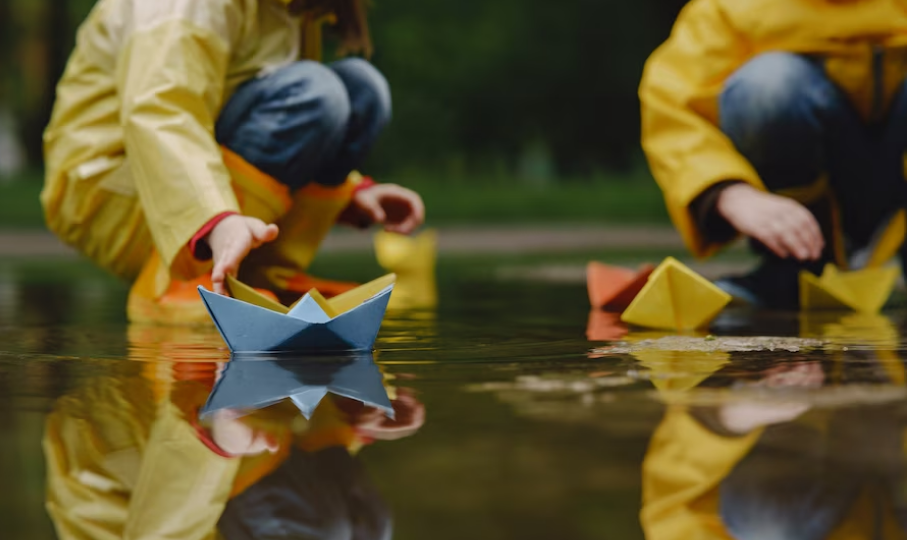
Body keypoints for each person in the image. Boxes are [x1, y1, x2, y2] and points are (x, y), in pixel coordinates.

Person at [41, 0, 424, 324]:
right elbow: (160, 109)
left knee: (361, 90)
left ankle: (257, 274)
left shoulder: (285, 8)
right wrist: (215, 218)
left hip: (181, 167)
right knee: (318, 93)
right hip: (110, 185)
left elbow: (252, 100)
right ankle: (187, 276)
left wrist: (348, 193)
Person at [639, 0, 907, 309]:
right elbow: (672, 105)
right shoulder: (729, 9)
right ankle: (797, 266)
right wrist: (728, 191)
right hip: (810, 199)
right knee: (767, 86)